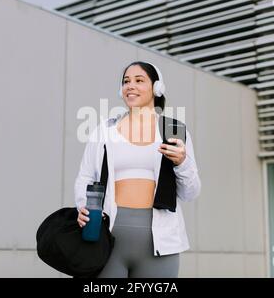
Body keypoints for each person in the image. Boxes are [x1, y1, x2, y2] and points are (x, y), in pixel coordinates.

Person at [74, 61, 201, 278]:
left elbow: (191, 192)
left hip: (159, 243)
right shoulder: (104, 130)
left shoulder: (174, 130)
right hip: (108, 237)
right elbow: (85, 176)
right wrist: (82, 209)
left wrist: (182, 162)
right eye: (126, 81)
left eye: (139, 80)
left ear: (157, 88)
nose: (130, 86)